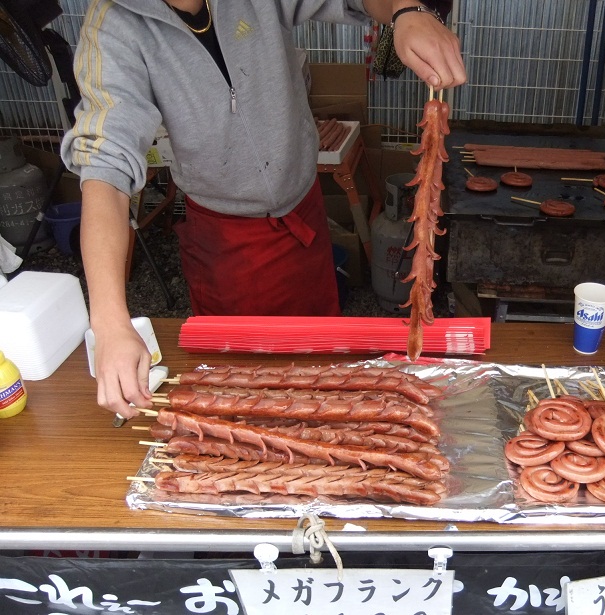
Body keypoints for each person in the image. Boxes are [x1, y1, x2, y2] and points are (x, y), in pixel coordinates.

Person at [61, 0, 466, 419]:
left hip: (303, 215)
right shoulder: (114, 26)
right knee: (243, 397)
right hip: (226, 242)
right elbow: (105, 171)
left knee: (323, 378)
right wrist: (110, 324)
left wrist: (405, 10)